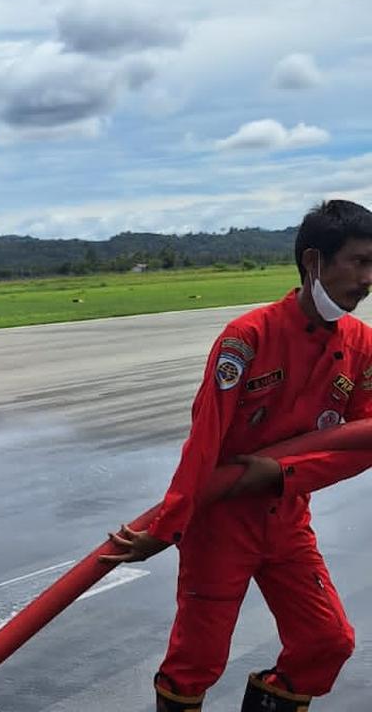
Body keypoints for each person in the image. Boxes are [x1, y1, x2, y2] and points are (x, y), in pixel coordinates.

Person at [101, 200, 372, 711]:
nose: (368, 279)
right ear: (313, 261)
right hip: (219, 523)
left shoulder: (361, 346)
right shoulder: (248, 338)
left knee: (327, 641)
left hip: (286, 520)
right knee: (196, 661)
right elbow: (204, 440)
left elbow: (361, 442)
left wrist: (281, 474)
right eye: (358, 262)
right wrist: (166, 527)